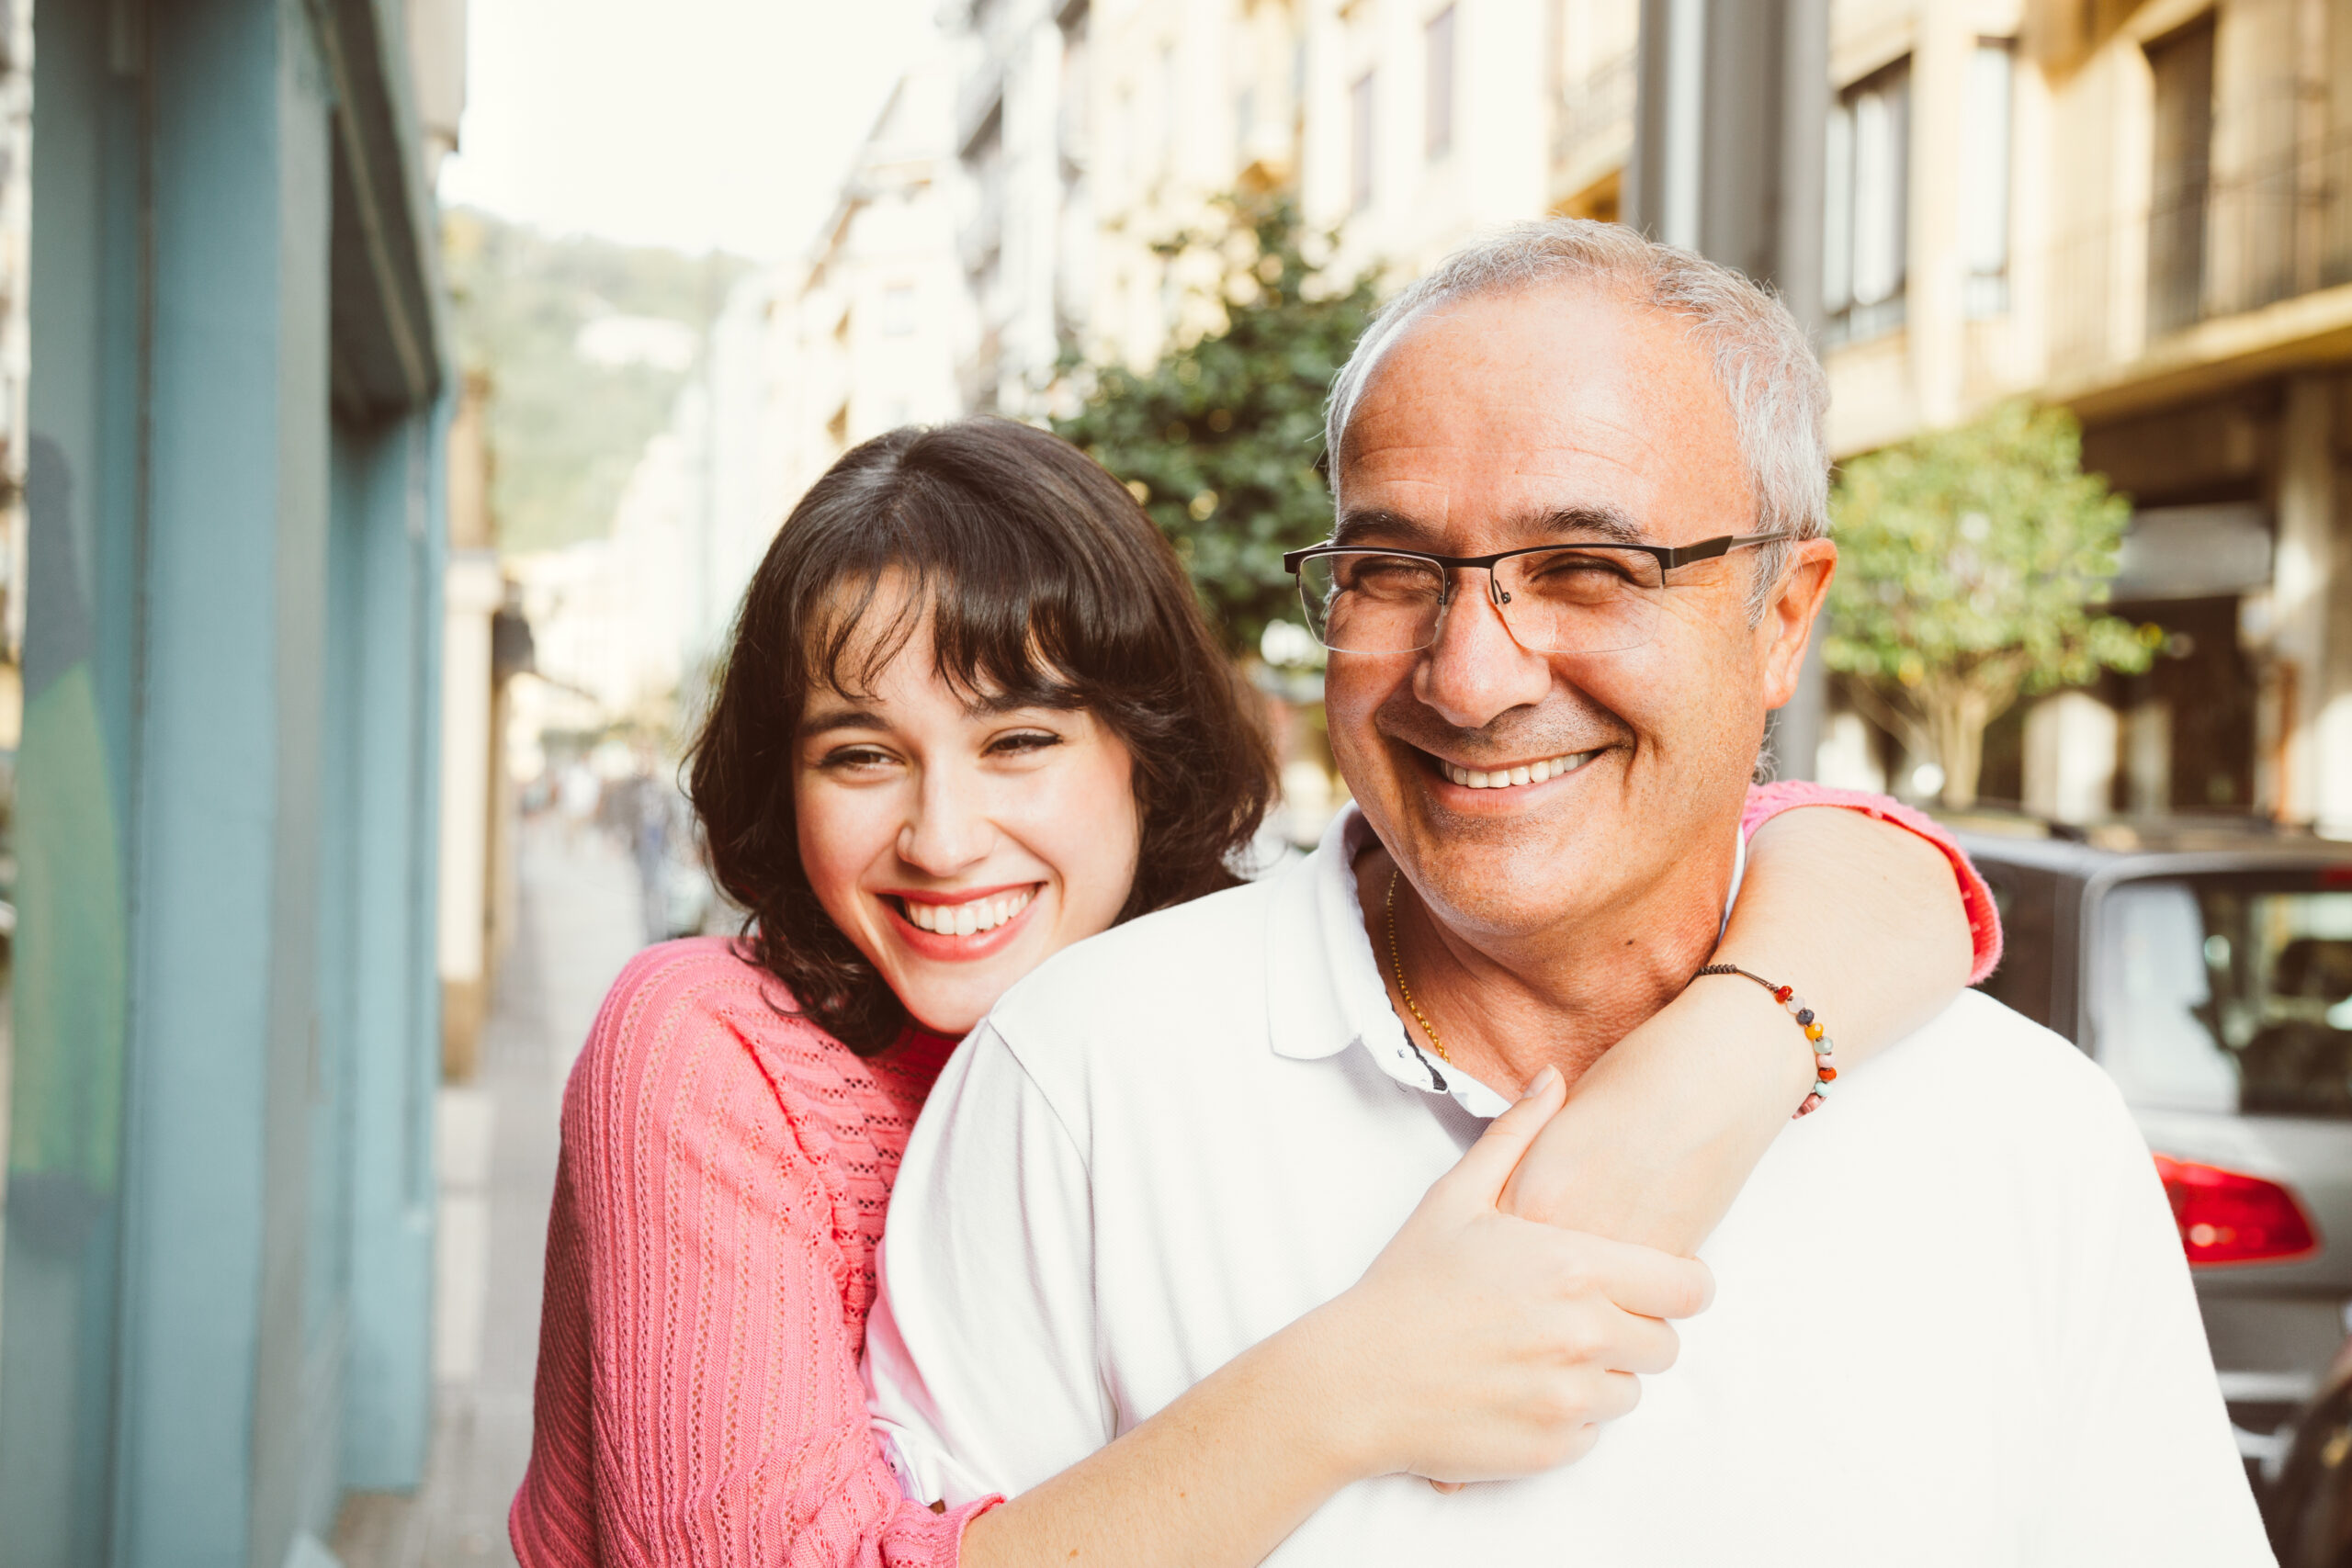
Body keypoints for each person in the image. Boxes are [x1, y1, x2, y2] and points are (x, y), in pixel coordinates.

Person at [864, 224, 2272, 1565]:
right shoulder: (1084, 1084)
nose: (1471, 678)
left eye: (1589, 569)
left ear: (1783, 615)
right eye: (1392, 571)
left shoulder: (2021, 1134)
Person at [511, 415, 1997, 1568]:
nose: (941, 836)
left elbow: (1838, 849)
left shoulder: (1201, 1004)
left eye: (1019, 742)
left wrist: (1720, 1064)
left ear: (1140, 747)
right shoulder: (709, 1043)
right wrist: (1356, 1379)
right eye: (859, 755)